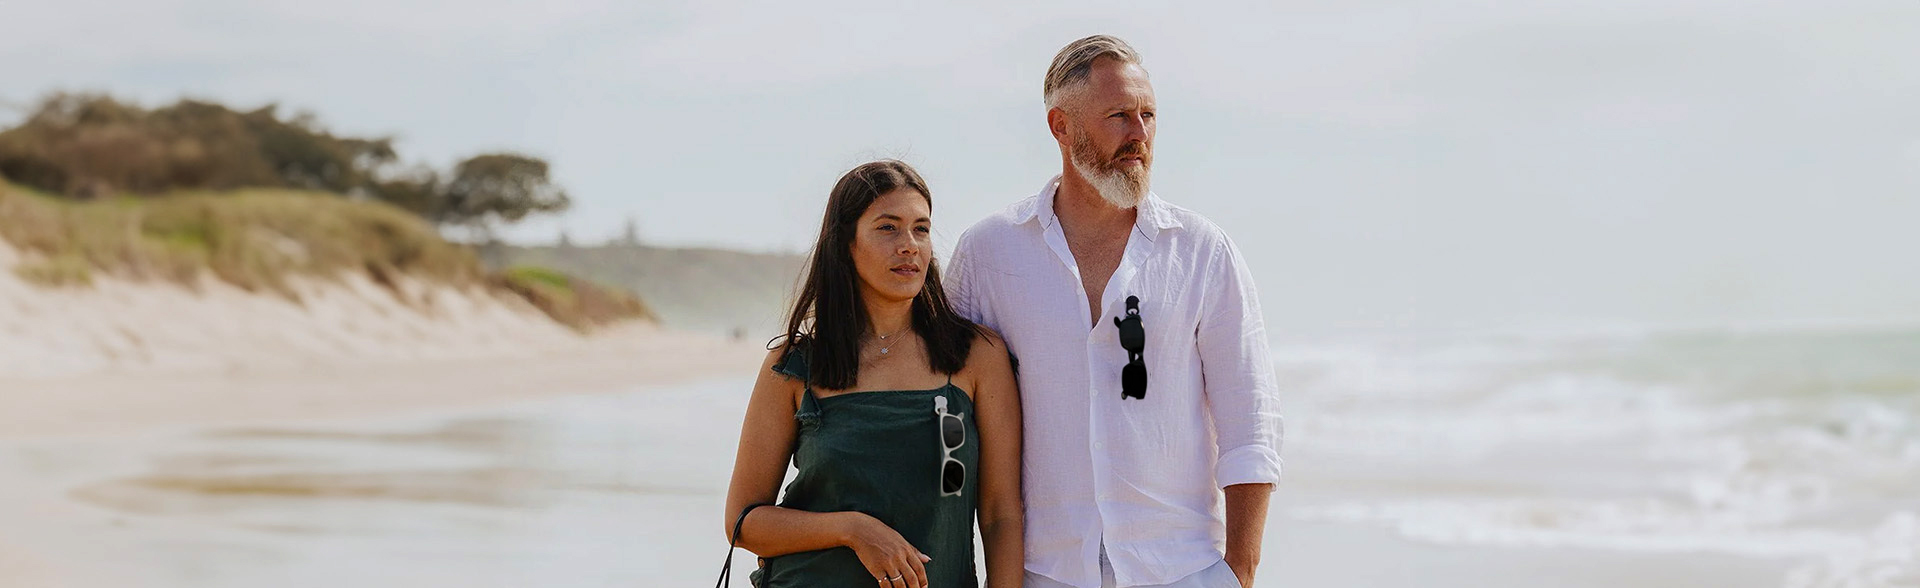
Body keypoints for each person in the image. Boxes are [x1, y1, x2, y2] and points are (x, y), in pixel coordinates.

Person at [948, 36, 1284, 588]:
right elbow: (947, 415)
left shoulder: (1202, 250)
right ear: (1061, 126)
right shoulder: (988, 253)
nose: (1140, 135)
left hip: (1183, 571)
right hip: (1043, 572)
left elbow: (1250, 421)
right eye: (1120, 116)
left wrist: (1239, 574)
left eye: (1149, 115)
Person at [724, 160, 1024, 587]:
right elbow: (742, 521)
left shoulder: (976, 357)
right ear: (846, 244)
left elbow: (1000, 514)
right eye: (888, 228)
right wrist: (852, 529)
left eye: (921, 229)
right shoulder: (794, 367)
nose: (910, 245)